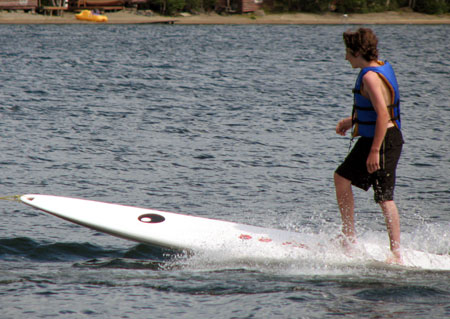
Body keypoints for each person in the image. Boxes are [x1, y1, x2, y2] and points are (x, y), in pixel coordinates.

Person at [334, 28, 404, 264]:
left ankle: (396, 254)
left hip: (384, 141)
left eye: (347, 53)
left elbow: (383, 115)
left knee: (385, 197)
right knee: (341, 177)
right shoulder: (377, 67)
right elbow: (378, 110)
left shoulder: (369, 77)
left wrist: (374, 151)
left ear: (356, 52)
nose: (345, 58)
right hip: (376, 136)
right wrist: (352, 120)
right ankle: (348, 237)